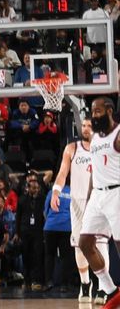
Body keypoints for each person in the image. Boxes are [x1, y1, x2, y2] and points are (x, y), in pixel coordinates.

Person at [51, 117, 111, 302]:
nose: (85, 129)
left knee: (101, 244)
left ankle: (103, 288)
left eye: (89, 126)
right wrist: (55, 191)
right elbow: (62, 173)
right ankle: (85, 284)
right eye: (83, 125)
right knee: (79, 245)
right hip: (77, 201)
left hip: (100, 199)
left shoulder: (105, 147)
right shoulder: (72, 148)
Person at [78, 98, 120, 309]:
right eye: (93, 112)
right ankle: (111, 291)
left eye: (98, 111)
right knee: (84, 243)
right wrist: (88, 201)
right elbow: (94, 173)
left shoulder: (118, 134)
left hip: (117, 193)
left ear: (110, 111)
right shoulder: (94, 138)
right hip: (97, 195)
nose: (94, 116)